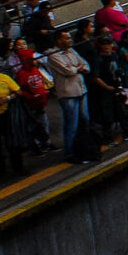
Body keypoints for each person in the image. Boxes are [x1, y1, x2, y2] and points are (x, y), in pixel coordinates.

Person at [45, 31, 92, 164]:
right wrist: (78, 68)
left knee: (84, 120)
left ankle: (83, 147)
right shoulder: (53, 55)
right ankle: (69, 151)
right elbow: (68, 71)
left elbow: (85, 65)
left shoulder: (71, 51)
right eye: (66, 38)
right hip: (68, 93)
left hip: (81, 89)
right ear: (58, 40)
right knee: (71, 124)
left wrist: (77, 68)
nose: (69, 40)